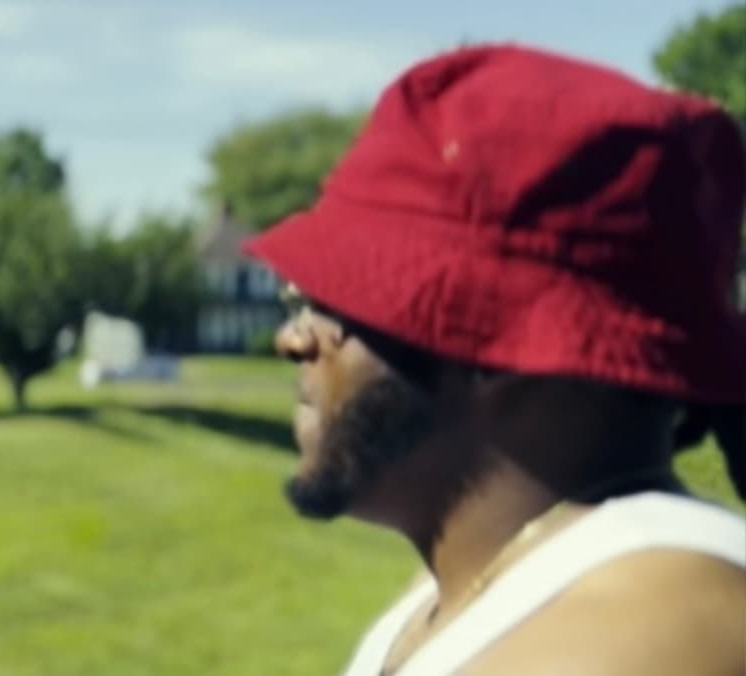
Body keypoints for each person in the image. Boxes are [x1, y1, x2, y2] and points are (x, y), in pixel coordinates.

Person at [247, 45, 746, 675]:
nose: (292, 340)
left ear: (510, 342)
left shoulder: (642, 637)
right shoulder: (486, 589)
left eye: (334, 301)